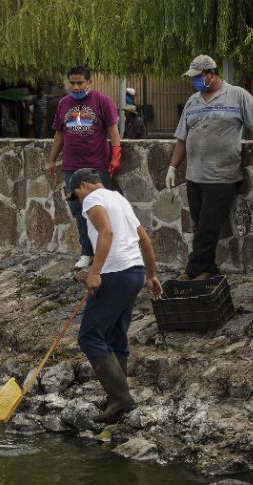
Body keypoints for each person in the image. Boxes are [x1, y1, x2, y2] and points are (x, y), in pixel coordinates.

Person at [165, 54, 253, 280]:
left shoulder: (237, 95)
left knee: (208, 225)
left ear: (210, 74)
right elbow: (182, 138)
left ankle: (194, 270)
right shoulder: (192, 101)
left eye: (197, 77)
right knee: (201, 224)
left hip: (222, 175)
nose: (194, 82)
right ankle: (209, 269)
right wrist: (171, 167)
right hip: (195, 175)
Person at [66, 168, 163, 423]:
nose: (78, 201)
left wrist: (95, 273)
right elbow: (145, 241)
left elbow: (106, 233)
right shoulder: (119, 199)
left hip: (115, 273)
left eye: (75, 195)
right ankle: (117, 401)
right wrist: (151, 275)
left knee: (89, 337)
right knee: (116, 337)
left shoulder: (92, 198)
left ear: (84, 185)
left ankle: (122, 399)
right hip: (134, 273)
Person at [46, 65, 123, 270]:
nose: (76, 87)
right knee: (78, 211)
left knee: (102, 211)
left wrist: (116, 154)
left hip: (96, 166)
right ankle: (87, 252)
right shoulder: (64, 104)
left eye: (80, 82)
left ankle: (107, 253)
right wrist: (52, 159)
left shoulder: (102, 101)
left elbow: (113, 129)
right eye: (72, 83)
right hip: (71, 166)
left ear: (88, 81)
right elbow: (59, 134)